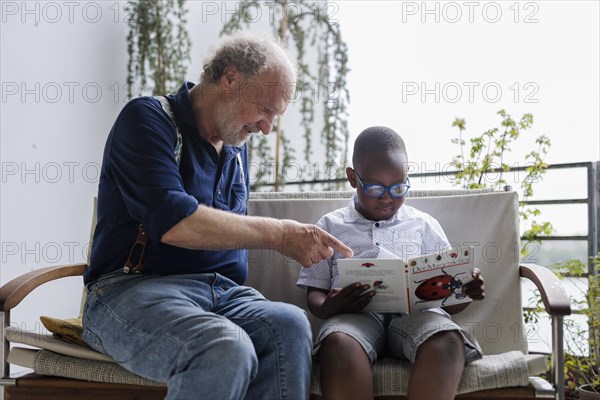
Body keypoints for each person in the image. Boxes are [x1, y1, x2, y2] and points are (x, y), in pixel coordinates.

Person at [82, 31, 353, 400]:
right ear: (229, 79)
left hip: (222, 294)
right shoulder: (148, 120)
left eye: (276, 115)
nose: (266, 127)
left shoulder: (235, 146)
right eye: (264, 109)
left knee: (290, 325)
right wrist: (280, 234)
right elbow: (175, 222)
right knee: (225, 346)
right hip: (130, 292)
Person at [297, 126, 486, 400]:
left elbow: (452, 301)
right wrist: (329, 306)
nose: (387, 197)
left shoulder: (423, 225)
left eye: (398, 187)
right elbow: (313, 293)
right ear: (353, 178)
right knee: (337, 343)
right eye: (374, 187)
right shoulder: (329, 226)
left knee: (447, 339)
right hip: (354, 319)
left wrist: (465, 290)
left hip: (418, 319)